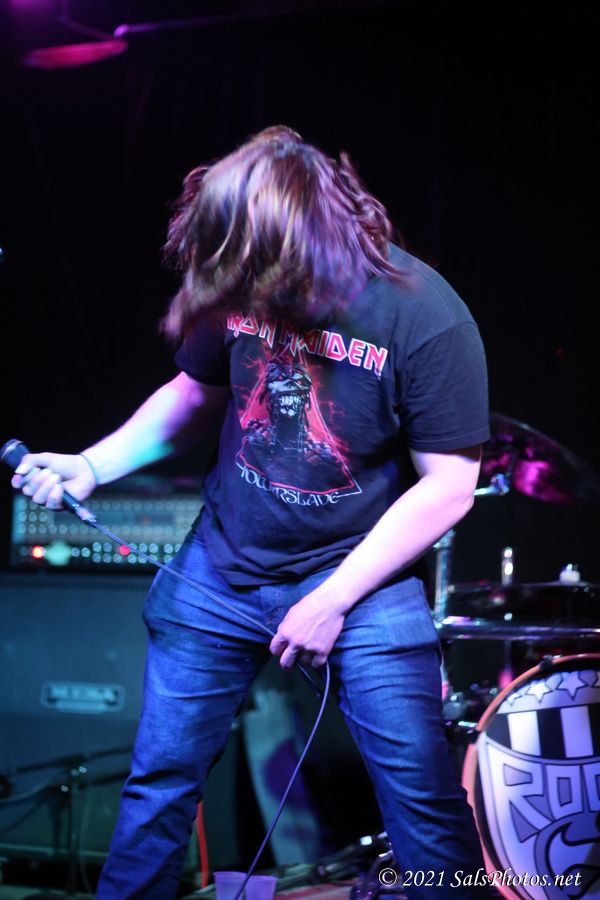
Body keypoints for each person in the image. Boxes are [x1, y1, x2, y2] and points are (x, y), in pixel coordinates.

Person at [13, 126, 491, 898]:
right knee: (157, 788)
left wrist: (332, 600)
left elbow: (450, 486)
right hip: (222, 567)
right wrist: (92, 465)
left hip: (359, 579)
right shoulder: (244, 276)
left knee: (425, 806)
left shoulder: (425, 315)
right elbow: (194, 394)